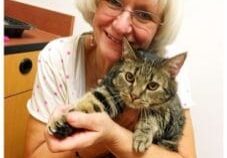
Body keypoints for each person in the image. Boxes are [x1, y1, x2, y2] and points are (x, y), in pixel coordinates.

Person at [24, 0, 197, 157]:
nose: (121, 27)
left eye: (143, 15)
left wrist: (114, 136)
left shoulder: (166, 69)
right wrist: (90, 145)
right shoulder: (58, 57)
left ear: (159, 29)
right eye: (114, 1)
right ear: (95, 4)